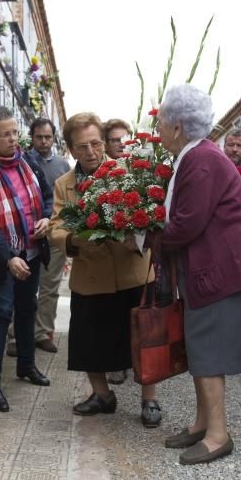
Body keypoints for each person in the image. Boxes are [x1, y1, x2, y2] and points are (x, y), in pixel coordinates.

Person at [155, 84, 241, 464]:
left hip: (222, 269)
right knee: (199, 346)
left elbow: (187, 224)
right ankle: (203, 423)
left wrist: (146, 238)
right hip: (215, 264)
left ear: (178, 127)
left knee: (208, 349)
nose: (157, 127)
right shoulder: (197, 155)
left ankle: (218, 435)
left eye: (162, 120)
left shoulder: (201, 160)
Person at [49, 112, 164, 428]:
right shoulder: (64, 185)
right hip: (90, 276)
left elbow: (154, 216)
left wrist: (137, 238)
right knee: (90, 340)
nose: (91, 151)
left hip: (132, 272)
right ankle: (103, 396)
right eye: (82, 146)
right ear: (71, 150)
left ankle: (149, 399)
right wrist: (74, 239)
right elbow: (56, 226)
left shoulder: (127, 173)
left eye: (96, 143)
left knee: (143, 338)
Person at [0, 106, 53, 412]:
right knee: (1, 312)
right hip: (0, 257)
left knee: (28, 308)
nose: (14, 138)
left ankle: (26, 366)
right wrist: (7, 258)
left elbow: (46, 195)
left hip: (30, 250)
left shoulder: (28, 161)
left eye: (16, 132)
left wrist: (46, 217)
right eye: (6, 134)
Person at [23, 117, 71, 354]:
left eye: (48, 137)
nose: (44, 141)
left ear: (54, 138)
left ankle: (42, 333)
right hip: (26, 235)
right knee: (23, 287)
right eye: (39, 137)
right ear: (31, 137)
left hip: (53, 235)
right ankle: (17, 334)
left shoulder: (63, 166)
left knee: (50, 287)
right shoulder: (22, 161)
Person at [103, 117, 134, 387]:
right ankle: (116, 363)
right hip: (106, 255)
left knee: (135, 312)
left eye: (126, 138)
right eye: (115, 140)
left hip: (134, 254)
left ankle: (139, 361)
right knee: (111, 314)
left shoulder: (141, 171)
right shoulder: (99, 172)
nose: (122, 144)